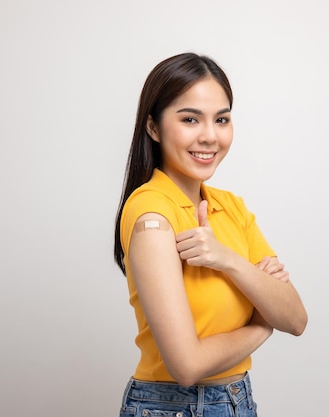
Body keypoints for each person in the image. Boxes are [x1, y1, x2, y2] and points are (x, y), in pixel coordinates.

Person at [113, 52, 308, 417]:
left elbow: (296, 318)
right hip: (173, 407)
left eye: (222, 119)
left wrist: (227, 260)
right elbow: (186, 366)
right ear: (153, 127)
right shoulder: (152, 214)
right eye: (190, 119)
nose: (209, 136)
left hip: (237, 400)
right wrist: (262, 326)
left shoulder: (231, 208)